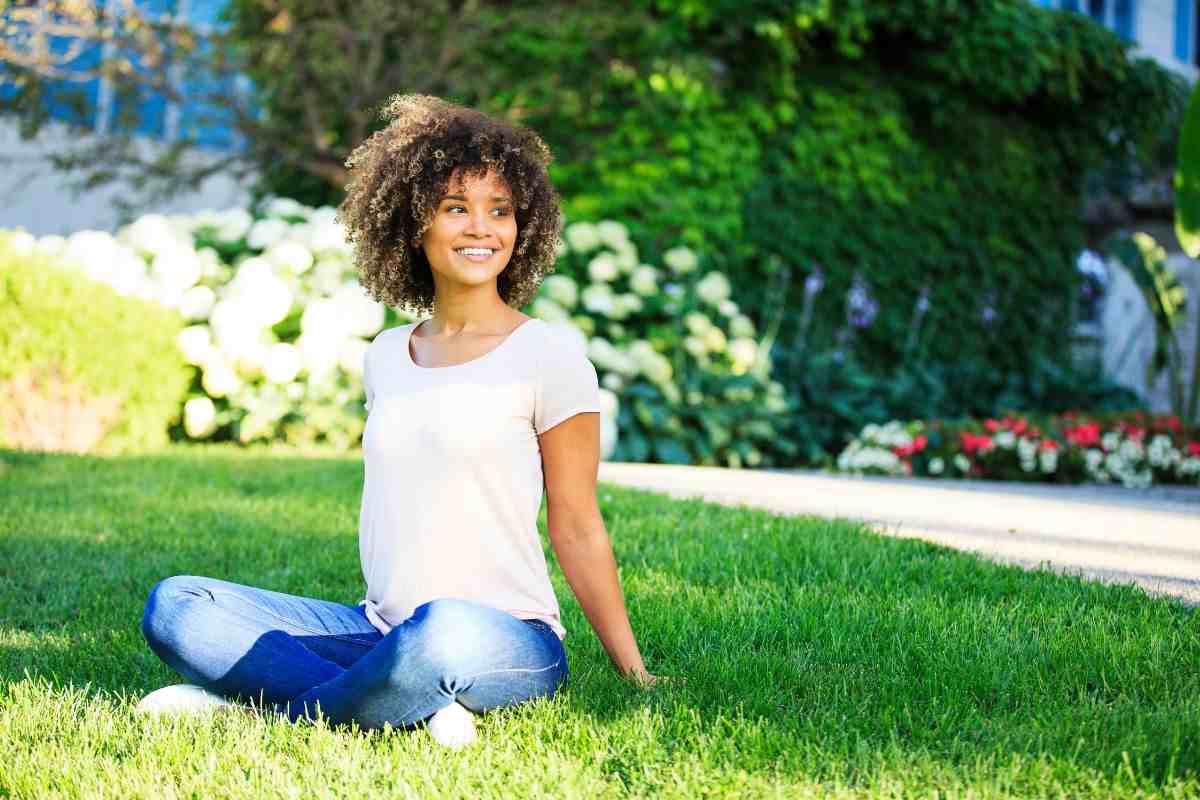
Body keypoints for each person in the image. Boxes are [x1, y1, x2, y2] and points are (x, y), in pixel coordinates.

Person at [137, 94, 670, 747]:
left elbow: (579, 523)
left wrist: (634, 672)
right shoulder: (388, 355)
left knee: (440, 633)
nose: (482, 228)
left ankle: (266, 709)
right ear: (414, 224)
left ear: (522, 227)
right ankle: (401, 698)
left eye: (499, 211)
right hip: (378, 627)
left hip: (501, 637)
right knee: (179, 607)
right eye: (456, 208)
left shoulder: (550, 356)